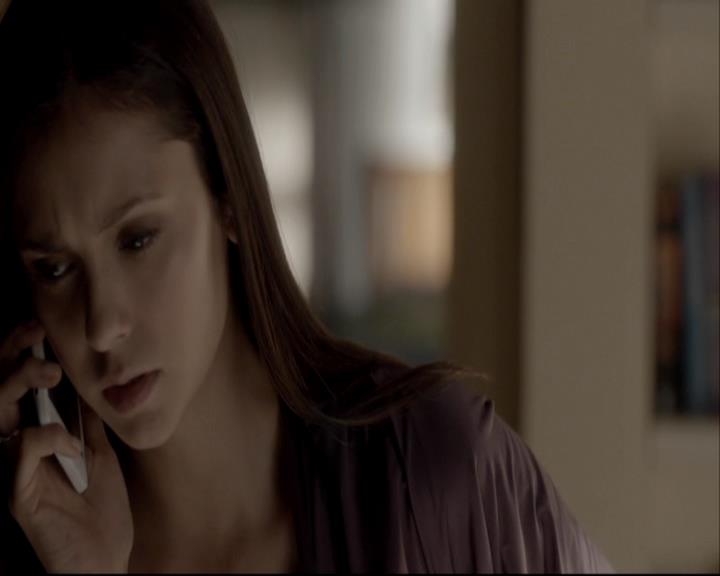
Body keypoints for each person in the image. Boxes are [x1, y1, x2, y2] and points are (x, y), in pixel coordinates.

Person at [0, 0, 614, 572]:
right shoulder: (45, 542)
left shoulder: (434, 479)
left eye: (138, 240)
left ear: (227, 196)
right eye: (55, 269)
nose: (102, 325)